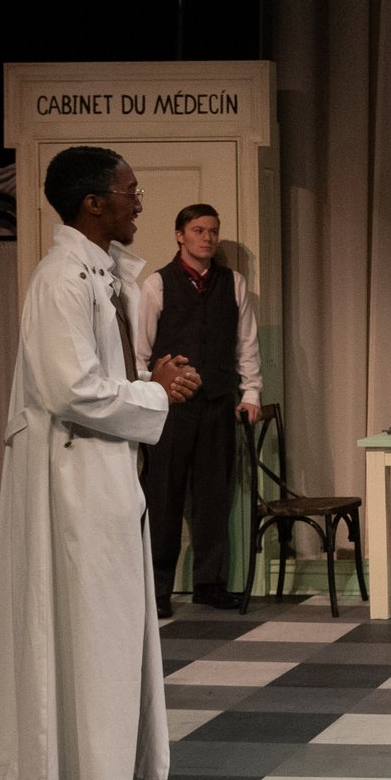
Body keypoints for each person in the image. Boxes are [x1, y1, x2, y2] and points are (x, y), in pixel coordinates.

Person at [0, 147, 201, 780]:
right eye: (130, 189)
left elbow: (92, 376)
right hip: (73, 489)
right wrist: (152, 390)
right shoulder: (62, 279)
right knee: (91, 639)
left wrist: (142, 378)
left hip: (97, 479)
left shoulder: (95, 273)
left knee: (100, 639)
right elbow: (72, 389)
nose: (141, 201)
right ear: (93, 202)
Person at [134, 202, 263, 618]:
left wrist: (251, 395)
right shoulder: (157, 285)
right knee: (164, 498)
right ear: (180, 235)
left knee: (214, 498)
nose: (207, 238)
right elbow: (139, 355)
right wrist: (151, 390)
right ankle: (157, 591)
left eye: (213, 231)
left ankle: (211, 583)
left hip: (218, 404)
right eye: (198, 230)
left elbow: (246, 347)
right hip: (170, 411)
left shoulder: (234, 283)